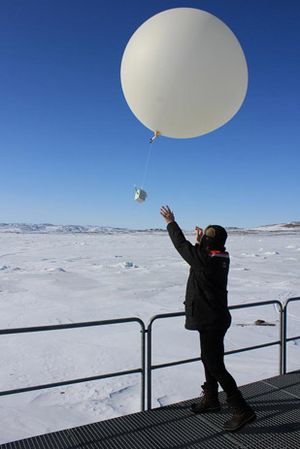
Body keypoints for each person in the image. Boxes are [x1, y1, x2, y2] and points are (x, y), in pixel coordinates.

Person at [160, 205, 256, 432]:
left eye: (207, 238)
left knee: (214, 363)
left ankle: (242, 409)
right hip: (216, 317)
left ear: (212, 243)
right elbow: (201, 255)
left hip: (210, 319)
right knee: (209, 359)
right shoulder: (220, 256)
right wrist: (201, 240)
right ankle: (211, 399)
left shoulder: (206, 260)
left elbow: (182, 247)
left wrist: (171, 223)